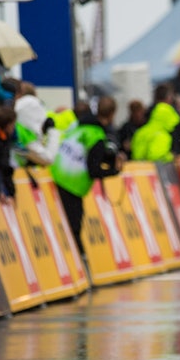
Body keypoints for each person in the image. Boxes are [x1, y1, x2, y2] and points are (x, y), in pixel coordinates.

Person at [52, 95, 122, 256]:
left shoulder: (79, 126)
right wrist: (114, 171)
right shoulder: (96, 136)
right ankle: (80, 260)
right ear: (112, 114)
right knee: (74, 228)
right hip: (71, 185)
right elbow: (94, 170)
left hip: (54, 175)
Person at [131, 83, 179, 162]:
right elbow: (155, 156)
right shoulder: (163, 135)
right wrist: (171, 157)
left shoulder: (141, 131)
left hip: (137, 166)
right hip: (155, 168)